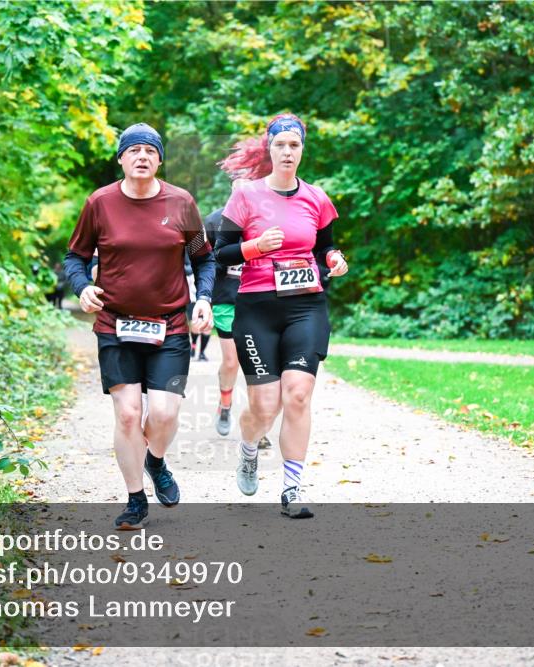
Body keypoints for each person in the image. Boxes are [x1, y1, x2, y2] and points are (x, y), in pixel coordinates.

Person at [63, 123, 215, 530]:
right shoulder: (100, 203)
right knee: (128, 415)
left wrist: (203, 298)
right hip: (115, 325)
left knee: (163, 414)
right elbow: (74, 258)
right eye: (134, 151)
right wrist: (82, 288)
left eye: (151, 150)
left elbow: (205, 260)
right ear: (121, 159)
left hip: (169, 326)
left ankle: (156, 461)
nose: (142, 156)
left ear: (160, 159)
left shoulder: (181, 203)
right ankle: (135, 500)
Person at [213, 113, 348, 519]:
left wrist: (334, 259)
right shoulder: (246, 197)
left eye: (294, 145)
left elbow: (326, 246)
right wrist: (255, 247)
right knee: (265, 407)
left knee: (299, 395)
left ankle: (292, 489)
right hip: (257, 309)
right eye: (280, 145)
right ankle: (249, 447)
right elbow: (220, 254)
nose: (287, 151)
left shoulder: (317, 198)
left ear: (302, 150)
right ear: (269, 150)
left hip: (305, 306)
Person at [203, 178, 271, 449]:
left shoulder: (266, 218)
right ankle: (225, 403)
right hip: (226, 300)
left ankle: (258, 427)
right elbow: (199, 259)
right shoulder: (213, 221)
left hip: (258, 300)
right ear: (232, 189)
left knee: (258, 365)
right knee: (232, 361)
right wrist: (203, 296)